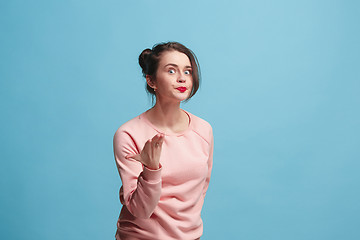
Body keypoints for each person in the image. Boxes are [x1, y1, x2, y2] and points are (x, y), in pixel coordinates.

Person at [113, 42, 214, 240]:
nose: (181, 78)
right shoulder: (129, 134)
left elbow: (200, 190)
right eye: (171, 71)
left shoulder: (204, 130)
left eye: (187, 71)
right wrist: (151, 170)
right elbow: (140, 210)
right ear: (151, 81)